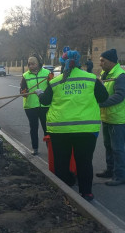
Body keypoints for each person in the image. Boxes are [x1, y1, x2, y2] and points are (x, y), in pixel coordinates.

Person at [35, 50, 109, 201]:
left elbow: (45, 101)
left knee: (61, 162)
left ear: (62, 64)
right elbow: (104, 97)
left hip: (60, 130)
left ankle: (65, 193)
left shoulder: (55, 82)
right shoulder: (91, 79)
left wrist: (39, 93)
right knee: (85, 161)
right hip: (86, 129)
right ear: (80, 62)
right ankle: (86, 193)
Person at [96, 49, 125, 186]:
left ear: (111, 61)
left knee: (117, 148)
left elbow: (119, 96)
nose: (100, 63)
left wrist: (101, 104)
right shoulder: (106, 74)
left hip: (117, 118)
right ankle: (110, 170)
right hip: (107, 116)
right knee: (108, 146)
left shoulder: (121, 76)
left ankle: (120, 176)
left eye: (102, 61)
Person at [20, 54, 52, 155]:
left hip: (45, 105)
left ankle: (50, 149)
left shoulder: (47, 73)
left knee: (47, 129)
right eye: (29, 64)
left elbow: (53, 88)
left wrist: (51, 80)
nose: (31, 66)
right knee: (33, 128)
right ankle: (35, 148)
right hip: (31, 106)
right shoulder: (25, 76)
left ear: (39, 63)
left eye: (33, 64)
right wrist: (23, 92)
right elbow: (22, 91)